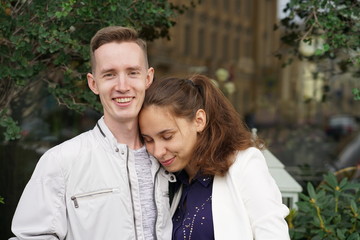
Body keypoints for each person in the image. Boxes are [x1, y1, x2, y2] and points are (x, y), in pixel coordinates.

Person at [10, 26, 175, 240]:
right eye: (110, 75)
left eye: (132, 72)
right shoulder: (61, 162)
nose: (122, 86)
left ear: (148, 77)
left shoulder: (171, 158)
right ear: (93, 83)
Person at [139, 75, 291, 239]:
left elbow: (273, 233)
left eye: (167, 136)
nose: (157, 151)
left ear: (199, 120)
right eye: (148, 140)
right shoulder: (169, 180)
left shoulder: (244, 164)